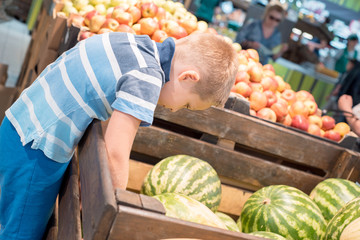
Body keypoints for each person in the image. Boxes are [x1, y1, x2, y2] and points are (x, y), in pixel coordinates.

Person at [0, 32, 239, 239]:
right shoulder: (147, 79)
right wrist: (118, 208)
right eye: (187, 104)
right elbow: (115, 153)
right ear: (187, 77)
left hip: (20, 126)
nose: (176, 110)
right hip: (36, 150)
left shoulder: (134, 44)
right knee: (21, 233)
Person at [235, 0, 288, 64]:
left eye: (277, 20)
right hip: (243, 60)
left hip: (260, 67)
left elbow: (274, 57)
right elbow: (238, 40)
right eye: (271, 17)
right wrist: (250, 44)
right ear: (266, 14)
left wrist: (281, 51)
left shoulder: (277, 35)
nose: (273, 21)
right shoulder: (253, 25)